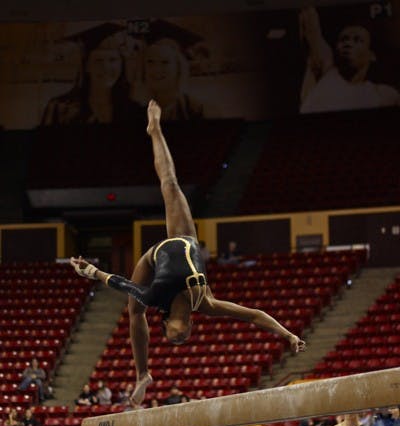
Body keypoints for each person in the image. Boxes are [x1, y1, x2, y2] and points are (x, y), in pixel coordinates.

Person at [70, 100, 305, 406]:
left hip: (153, 258)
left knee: (134, 308)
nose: (179, 340)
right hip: (185, 238)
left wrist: (90, 270)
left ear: (166, 324)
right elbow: (254, 316)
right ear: (191, 325)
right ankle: (144, 375)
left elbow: (119, 282)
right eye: (183, 339)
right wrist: (287, 334)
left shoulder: (156, 297)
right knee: (170, 183)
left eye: (172, 338)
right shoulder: (204, 302)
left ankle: (143, 374)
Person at [299, 5, 400, 114]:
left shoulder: (384, 94)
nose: (348, 43)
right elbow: (309, 18)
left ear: (371, 55)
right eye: (343, 39)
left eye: (357, 40)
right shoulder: (326, 72)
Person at [41, 23, 144, 126]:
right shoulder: (59, 109)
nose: (106, 67)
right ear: (87, 66)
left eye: (112, 60)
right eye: (98, 60)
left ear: (121, 65)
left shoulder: (133, 111)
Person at [135, 38, 204, 121]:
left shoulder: (193, 109)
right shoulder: (135, 108)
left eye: (165, 62)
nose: (157, 69)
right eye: (150, 62)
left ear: (178, 68)